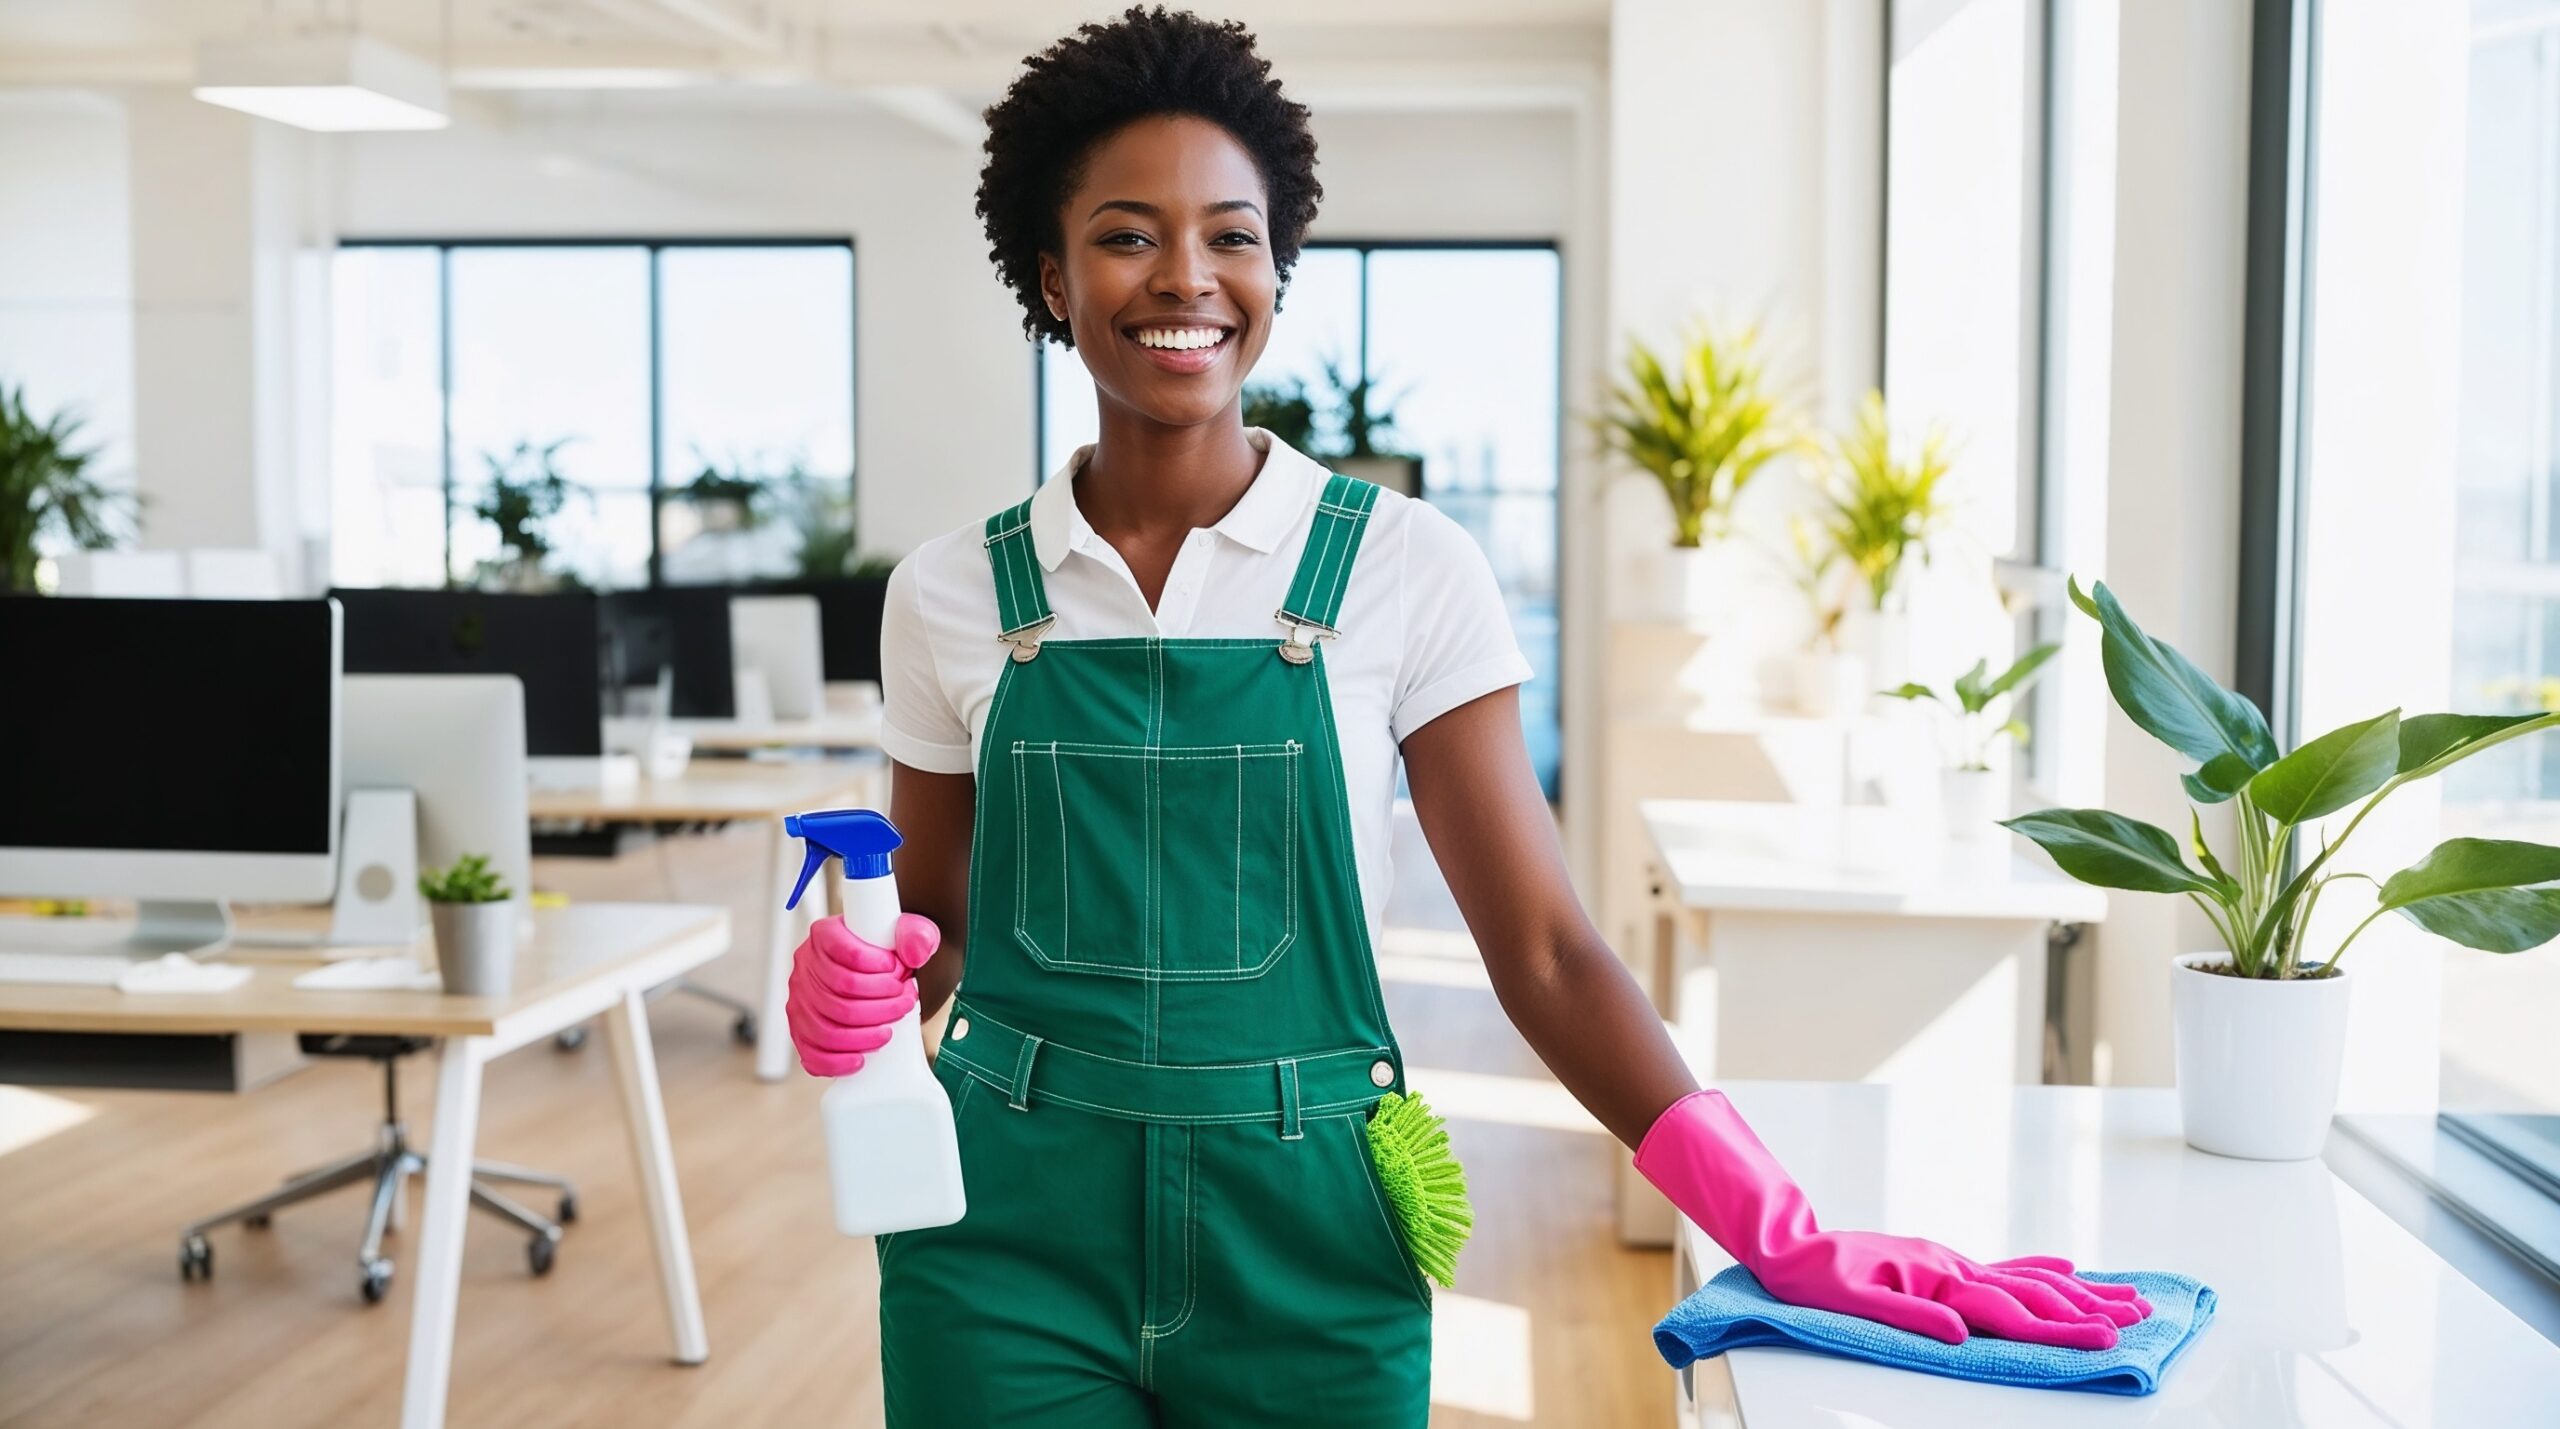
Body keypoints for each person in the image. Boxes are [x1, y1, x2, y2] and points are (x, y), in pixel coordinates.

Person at [785, 7, 2152, 1425]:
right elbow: (931, 925)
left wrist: (1780, 1228)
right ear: (1052, 276)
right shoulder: (952, 590)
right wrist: (859, 985)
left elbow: (1548, 952)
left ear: (1276, 266)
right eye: (1129, 234)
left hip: (1307, 1250)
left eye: (1233, 234)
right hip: (1006, 1243)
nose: (1186, 275)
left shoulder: (1401, 567)